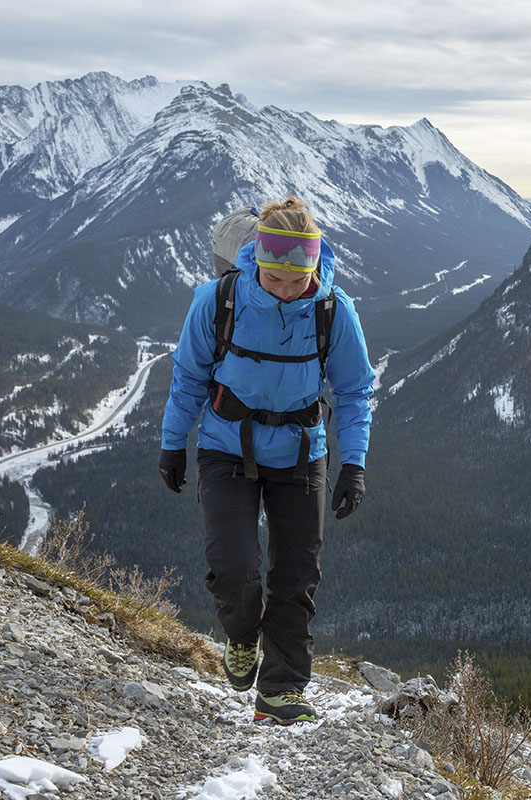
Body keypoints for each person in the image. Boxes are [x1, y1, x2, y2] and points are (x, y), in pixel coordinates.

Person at [158, 197, 374, 724]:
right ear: (257, 261)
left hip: (302, 452)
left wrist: (354, 465)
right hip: (225, 446)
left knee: (296, 575)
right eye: (276, 278)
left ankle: (281, 692)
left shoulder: (332, 308)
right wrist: (172, 443)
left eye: (297, 279)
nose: (286, 289)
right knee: (233, 568)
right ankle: (240, 636)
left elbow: (353, 390)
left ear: (313, 266)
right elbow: (188, 376)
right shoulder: (218, 301)